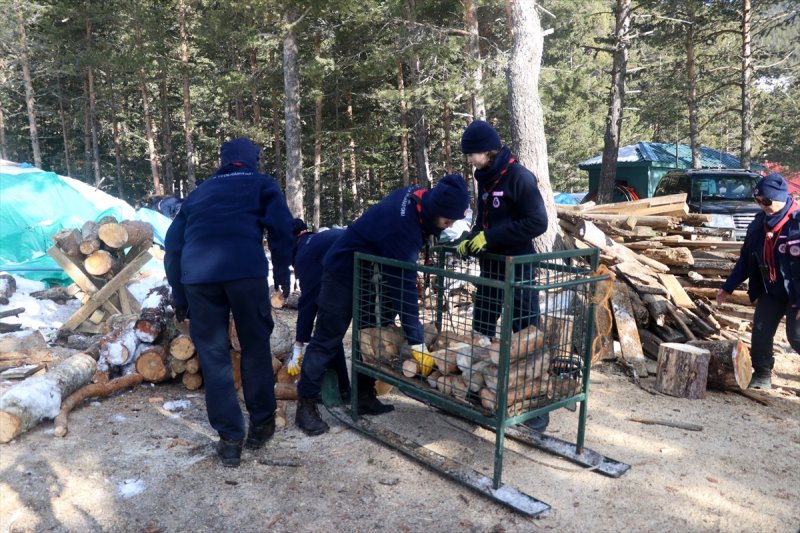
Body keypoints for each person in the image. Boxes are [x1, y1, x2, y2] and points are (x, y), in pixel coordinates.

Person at [295, 174, 470, 436]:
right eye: (447, 221)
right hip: (342, 271)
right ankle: (305, 405)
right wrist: (417, 342)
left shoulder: (418, 200)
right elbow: (404, 287)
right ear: (436, 211)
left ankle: (364, 395)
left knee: (370, 333)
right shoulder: (404, 226)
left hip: (368, 271)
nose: (449, 226)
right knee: (327, 338)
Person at [164, 137, 294, 467]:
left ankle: (230, 440)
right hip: (245, 273)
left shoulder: (200, 192)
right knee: (254, 347)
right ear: (254, 160)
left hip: (199, 276)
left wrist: (180, 297)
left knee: (214, 356)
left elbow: (173, 247)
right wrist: (282, 272)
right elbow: (281, 229)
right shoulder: (262, 183)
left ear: (223, 161)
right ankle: (262, 425)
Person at [455, 120, 549, 431]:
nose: (470, 160)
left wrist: (492, 237)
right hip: (492, 265)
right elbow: (484, 221)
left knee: (524, 331)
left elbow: (537, 222)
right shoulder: (486, 177)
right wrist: (470, 239)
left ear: (488, 150)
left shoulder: (519, 177)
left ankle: (535, 408)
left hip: (518, 263)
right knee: (483, 320)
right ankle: (479, 387)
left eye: (473, 154)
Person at [717, 173, 800, 389]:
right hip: (771, 290)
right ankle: (762, 374)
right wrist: (728, 287)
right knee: (761, 333)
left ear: (783, 197)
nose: (763, 206)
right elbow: (746, 259)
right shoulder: (758, 226)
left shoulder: (796, 224)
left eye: (767, 201)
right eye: (759, 201)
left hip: (797, 293)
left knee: (796, 336)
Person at [287, 218, 349, 398]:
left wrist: (299, 345)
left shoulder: (305, 252)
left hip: (355, 271)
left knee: (324, 335)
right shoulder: (314, 242)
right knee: (330, 331)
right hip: (354, 272)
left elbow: (308, 302)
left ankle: (310, 394)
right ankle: (344, 390)